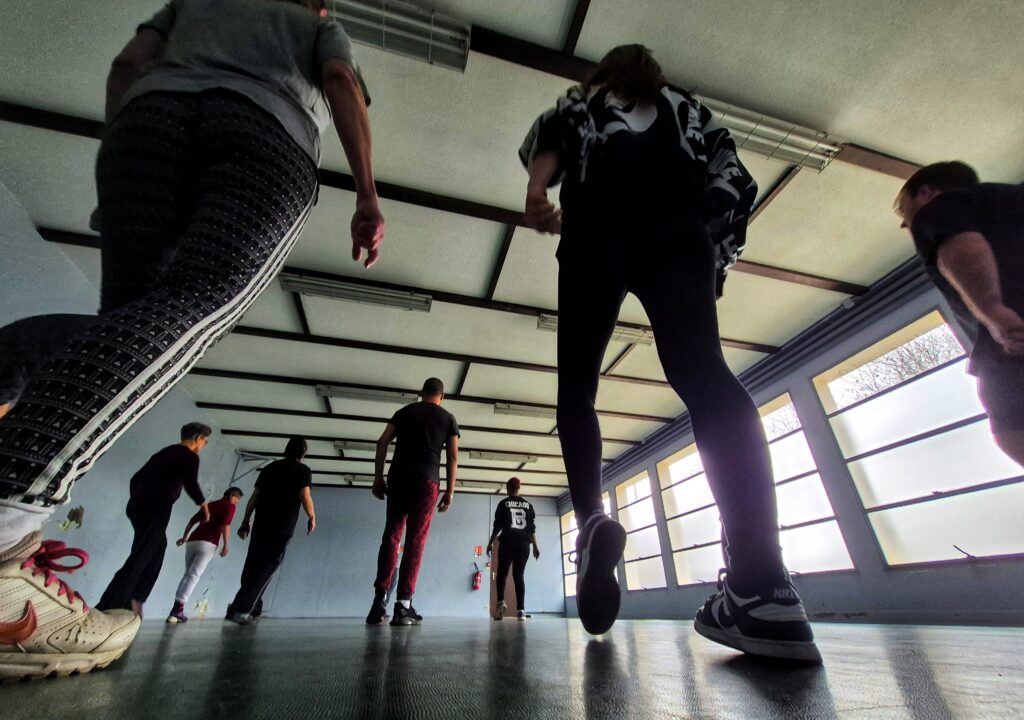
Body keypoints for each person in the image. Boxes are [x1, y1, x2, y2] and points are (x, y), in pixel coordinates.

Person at [0, 0, 383, 677]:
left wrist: (119, 156)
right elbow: (342, 84)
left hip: (144, 129)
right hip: (262, 138)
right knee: (191, 310)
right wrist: (366, 196)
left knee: (125, 332)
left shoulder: (196, 2)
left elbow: (128, 65)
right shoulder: (318, 20)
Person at [519, 44, 820, 662]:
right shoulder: (689, 112)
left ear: (606, 76)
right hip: (676, 233)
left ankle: (591, 521)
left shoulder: (587, 103)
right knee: (705, 375)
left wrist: (537, 189)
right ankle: (762, 584)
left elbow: (551, 137)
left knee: (578, 389)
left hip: (593, 232)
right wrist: (713, 252)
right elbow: (734, 181)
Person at [894, 161, 1024, 465]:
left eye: (905, 211)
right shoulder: (1012, 200)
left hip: (1015, 342)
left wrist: (993, 310)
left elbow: (963, 247)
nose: (906, 223)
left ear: (925, 192)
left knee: (1010, 429)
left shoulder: (938, 208)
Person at [366, 378, 460, 626]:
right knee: (415, 540)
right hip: (426, 482)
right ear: (442, 396)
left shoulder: (405, 412)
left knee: (392, 535)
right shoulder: (448, 418)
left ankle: (378, 601)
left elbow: (382, 442)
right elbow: (452, 456)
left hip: (398, 477)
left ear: (421, 393)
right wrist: (450, 491)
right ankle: (403, 605)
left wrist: (378, 478)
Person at [95, 423, 212, 617]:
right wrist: (204, 505)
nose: (204, 445)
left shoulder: (163, 453)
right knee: (143, 554)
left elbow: (136, 478)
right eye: (205, 441)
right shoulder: (189, 456)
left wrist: (137, 498)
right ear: (198, 438)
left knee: (157, 549)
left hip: (138, 506)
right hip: (157, 507)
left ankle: (136, 597)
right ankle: (111, 603)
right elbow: (190, 482)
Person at [226, 437, 315, 624]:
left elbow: (255, 496)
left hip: (261, 522)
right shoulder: (303, 470)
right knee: (270, 564)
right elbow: (304, 495)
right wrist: (312, 516)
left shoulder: (269, 469)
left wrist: (245, 521)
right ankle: (243, 609)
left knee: (253, 564)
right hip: (282, 525)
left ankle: (249, 608)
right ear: (303, 452)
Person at [166, 486, 244, 623]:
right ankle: (177, 610)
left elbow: (192, 521)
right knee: (194, 575)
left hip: (192, 542)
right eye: (237, 500)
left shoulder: (210, 504)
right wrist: (226, 545)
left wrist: (184, 537)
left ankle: (175, 610)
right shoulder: (230, 507)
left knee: (187, 575)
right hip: (208, 544)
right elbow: (226, 525)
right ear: (233, 496)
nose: (236, 503)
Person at [486, 477, 540, 621]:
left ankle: (500, 603)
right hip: (524, 543)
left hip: (508, 541)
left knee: (502, 573)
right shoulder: (529, 505)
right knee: (519, 575)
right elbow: (531, 529)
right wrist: (535, 546)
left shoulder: (503, 504)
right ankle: (521, 610)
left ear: (508, 488)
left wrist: (490, 542)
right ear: (518, 488)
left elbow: (497, 527)